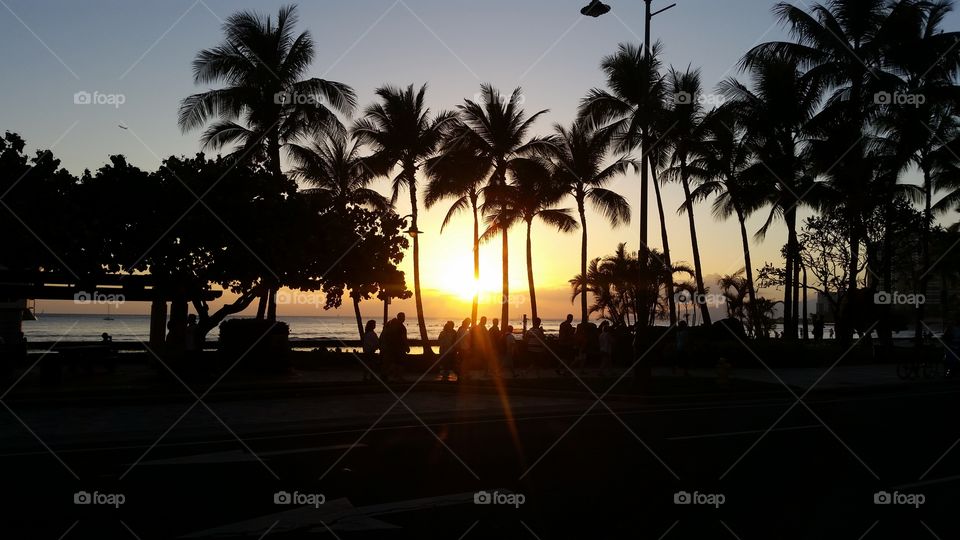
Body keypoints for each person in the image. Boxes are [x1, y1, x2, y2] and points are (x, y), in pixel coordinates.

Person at [381, 312, 409, 382]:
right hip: (399, 348)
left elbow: (384, 334)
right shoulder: (401, 327)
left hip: (390, 347)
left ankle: (386, 374)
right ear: (402, 318)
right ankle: (398, 376)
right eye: (404, 317)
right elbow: (404, 338)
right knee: (400, 362)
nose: (404, 319)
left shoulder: (390, 324)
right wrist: (407, 346)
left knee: (391, 362)